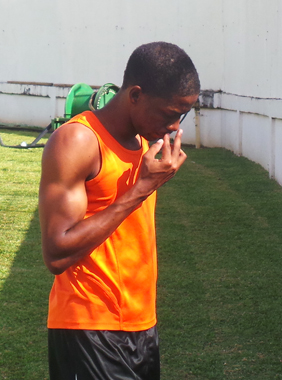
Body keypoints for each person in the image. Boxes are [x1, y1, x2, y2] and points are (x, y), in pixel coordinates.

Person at [39, 42, 200, 379]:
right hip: (88, 327)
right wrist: (140, 190)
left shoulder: (144, 142)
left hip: (141, 324)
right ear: (135, 95)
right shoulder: (78, 142)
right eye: (170, 113)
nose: (175, 126)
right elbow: (56, 253)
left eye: (182, 115)